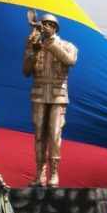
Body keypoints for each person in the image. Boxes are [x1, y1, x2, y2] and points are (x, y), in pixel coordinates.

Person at [22, 11, 78, 187]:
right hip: (39, 95)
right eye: (43, 24)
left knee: (54, 135)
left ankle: (54, 174)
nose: (44, 28)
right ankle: (40, 173)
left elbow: (69, 60)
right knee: (39, 135)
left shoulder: (68, 46)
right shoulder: (36, 45)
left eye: (48, 25)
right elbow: (26, 71)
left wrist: (50, 42)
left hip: (57, 96)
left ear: (54, 28)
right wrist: (31, 47)